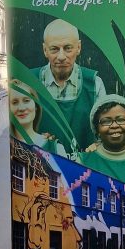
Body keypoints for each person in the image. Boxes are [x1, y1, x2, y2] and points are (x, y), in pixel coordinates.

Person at [33, 19, 106, 151]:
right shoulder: (29, 82)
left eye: (68, 48)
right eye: (54, 49)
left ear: (78, 47)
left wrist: (99, 146)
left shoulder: (94, 84)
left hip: (84, 167)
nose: (61, 56)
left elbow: (104, 133)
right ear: (45, 50)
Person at [9, 79, 67, 156]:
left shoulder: (56, 148)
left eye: (26, 100)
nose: (21, 108)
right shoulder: (4, 149)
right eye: (15, 102)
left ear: (36, 105)